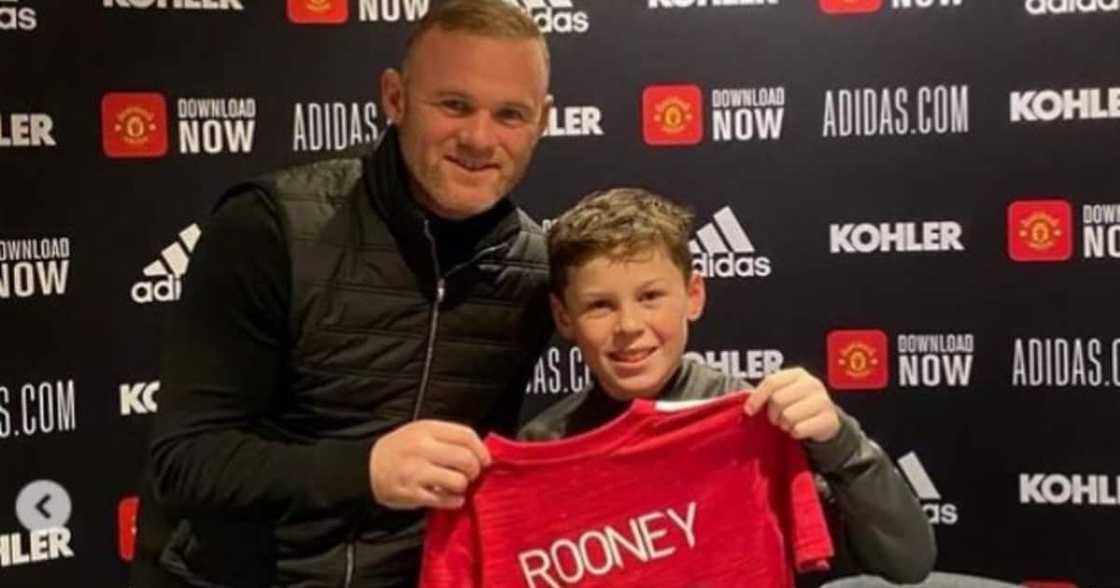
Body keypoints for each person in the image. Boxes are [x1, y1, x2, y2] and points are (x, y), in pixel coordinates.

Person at [131, 1, 556, 586]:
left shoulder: (537, 269)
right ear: (395, 98)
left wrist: (728, 424)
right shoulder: (269, 226)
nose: (480, 137)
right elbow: (186, 463)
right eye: (454, 105)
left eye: (510, 114)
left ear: (544, 120)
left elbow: (629, 386)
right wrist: (367, 469)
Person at [520, 187, 938, 584]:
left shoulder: (760, 422)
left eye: (650, 297)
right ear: (563, 317)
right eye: (600, 305)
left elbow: (908, 562)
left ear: (694, 295)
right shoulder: (542, 448)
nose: (629, 326)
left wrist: (840, 442)